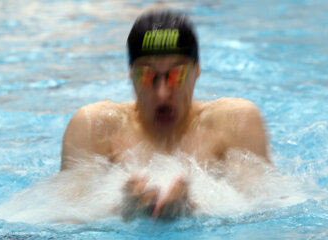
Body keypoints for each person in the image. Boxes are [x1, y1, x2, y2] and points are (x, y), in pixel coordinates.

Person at [60, 9, 270, 221]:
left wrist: (193, 213)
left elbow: (265, 213)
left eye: (177, 75)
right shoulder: (93, 126)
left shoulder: (235, 122)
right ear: (131, 75)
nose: (162, 92)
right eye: (147, 75)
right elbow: (63, 222)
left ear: (197, 71)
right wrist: (123, 213)